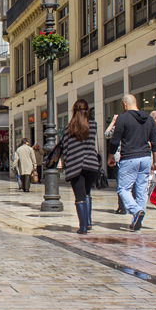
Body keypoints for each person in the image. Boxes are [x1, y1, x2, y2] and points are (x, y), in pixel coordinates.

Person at [107, 94, 156, 232]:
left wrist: (110, 156)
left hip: (129, 158)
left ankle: (136, 211)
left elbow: (114, 140)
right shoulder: (149, 119)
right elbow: (155, 142)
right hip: (146, 158)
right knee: (142, 190)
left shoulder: (123, 118)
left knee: (123, 189)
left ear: (125, 104)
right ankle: (137, 220)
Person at [61, 100, 100, 234]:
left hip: (75, 165)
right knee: (87, 192)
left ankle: (82, 227)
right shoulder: (93, 125)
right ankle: (88, 222)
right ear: (87, 110)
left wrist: (65, 162)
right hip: (91, 165)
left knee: (80, 197)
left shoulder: (68, 129)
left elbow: (64, 148)